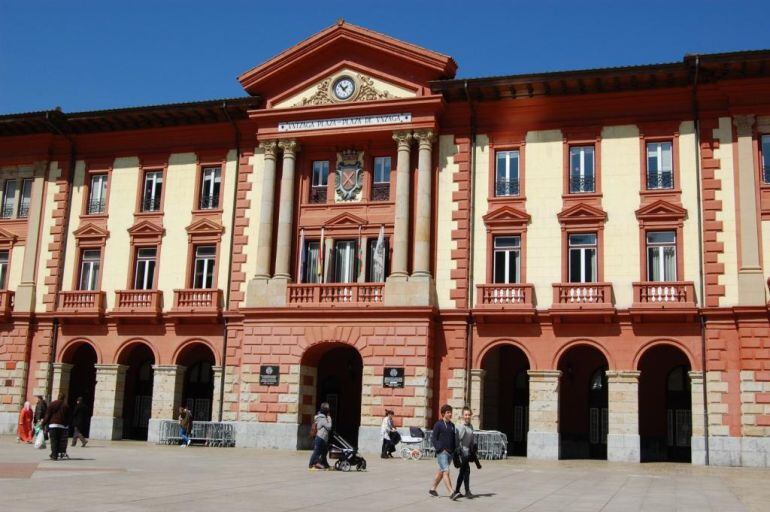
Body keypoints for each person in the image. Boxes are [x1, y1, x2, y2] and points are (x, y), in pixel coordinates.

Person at [429, 404, 456, 497]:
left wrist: (454, 450)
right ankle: (451, 492)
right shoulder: (438, 424)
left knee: (441, 471)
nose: (450, 414)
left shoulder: (452, 425)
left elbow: (453, 439)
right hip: (442, 452)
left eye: (450, 412)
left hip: (450, 453)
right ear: (443, 414)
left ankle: (432, 489)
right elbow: (433, 438)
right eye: (448, 412)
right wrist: (439, 448)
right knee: (446, 471)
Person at [451, 406, 476, 500]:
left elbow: (472, 439)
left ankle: (457, 491)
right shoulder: (460, 426)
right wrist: (458, 453)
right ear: (462, 415)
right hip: (461, 452)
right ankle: (466, 491)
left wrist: (474, 447)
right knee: (466, 471)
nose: (467, 416)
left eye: (469, 415)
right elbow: (458, 440)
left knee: (463, 472)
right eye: (465, 414)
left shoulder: (471, 426)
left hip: (467, 452)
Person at [42, 392, 70, 461]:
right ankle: (54, 453)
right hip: (62, 426)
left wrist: (43, 423)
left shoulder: (52, 404)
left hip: (53, 425)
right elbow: (68, 416)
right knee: (59, 440)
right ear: (64, 398)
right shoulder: (66, 406)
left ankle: (54, 455)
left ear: (58, 397)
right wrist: (66, 424)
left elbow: (48, 415)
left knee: (54, 440)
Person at [308, 402, 332, 470]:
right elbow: (329, 427)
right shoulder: (321, 418)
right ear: (325, 409)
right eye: (328, 408)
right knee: (317, 452)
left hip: (323, 438)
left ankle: (324, 464)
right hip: (320, 438)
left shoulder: (322, 417)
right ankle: (311, 465)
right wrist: (330, 419)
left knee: (324, 452)